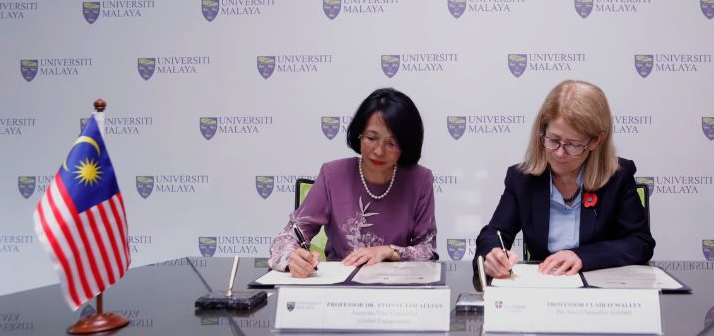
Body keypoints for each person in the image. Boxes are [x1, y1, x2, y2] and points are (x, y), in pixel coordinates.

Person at [475, 80, 655, 279]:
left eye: (574, 144)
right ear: (542, 130)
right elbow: (493, 234)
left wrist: (582, 256)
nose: (560, 153)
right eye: (553, 140)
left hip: (600, 296)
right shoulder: (523, 179)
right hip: (543, 291)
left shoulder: (617, 177)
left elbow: (640, 243)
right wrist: (491, 256)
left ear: (596, 141)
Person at [269, 88, 437, 277]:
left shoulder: (419, 180)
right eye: (371, 138)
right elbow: (286, 238)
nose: (379, 151)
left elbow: (428, 250)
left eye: (392, 143)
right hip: (340, 287)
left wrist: (390, 251)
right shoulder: (332, 174)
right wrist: (293, 257)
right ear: (359, 134)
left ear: (406, 145)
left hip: (395, 288)